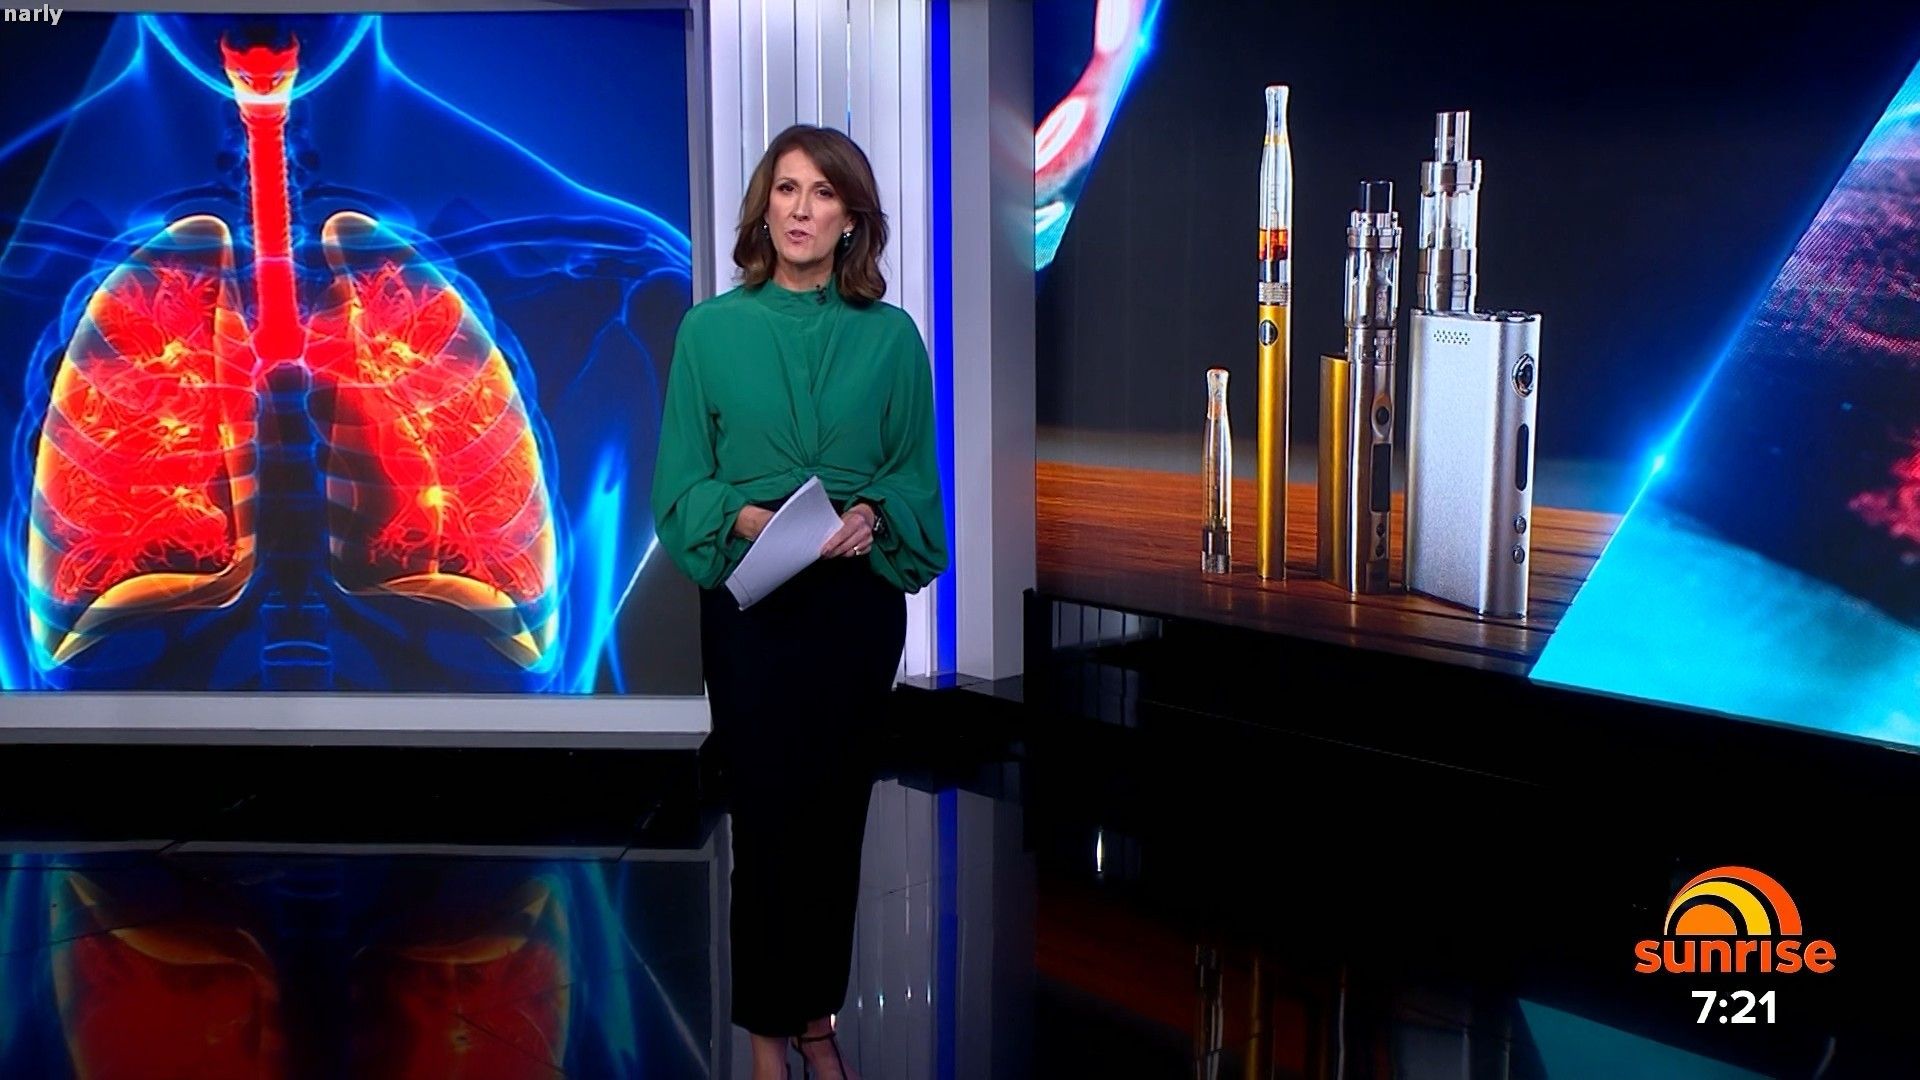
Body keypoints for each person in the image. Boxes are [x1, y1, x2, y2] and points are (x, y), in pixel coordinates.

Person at [651, 125, 948, 1080]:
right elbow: (680, 485)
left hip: (852, 611)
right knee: (766, 822)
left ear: (851, 217)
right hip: (754, 609)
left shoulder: (892, 339)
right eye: (786, 189)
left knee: (833, 823)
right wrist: (745, 517)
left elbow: (914, 478)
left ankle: (814, 1015)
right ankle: (766, 1040)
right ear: (764, 206)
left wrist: (870, 513)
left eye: (822, 193)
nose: (801, 210)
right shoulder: (709, 331)